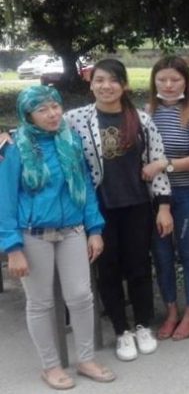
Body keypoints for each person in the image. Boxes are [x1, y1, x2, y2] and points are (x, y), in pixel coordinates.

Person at [0, 86, 116, 389]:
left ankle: (86, 359)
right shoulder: (15, 148)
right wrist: (12, 248)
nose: (52, 114)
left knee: (80, 296)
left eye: (55, 107)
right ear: (28, 115)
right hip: (33, 235)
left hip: (72, 230)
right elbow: (5, 200)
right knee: (40, 303)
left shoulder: (70, 141)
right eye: (42, 110)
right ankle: (50, 366)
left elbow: (85, 187)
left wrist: (95, 229)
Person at [65, 59, 173, 362]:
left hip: (137, 205)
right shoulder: (76, 119)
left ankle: (142, 325)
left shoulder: (141, 120)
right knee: (108, 269)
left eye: (113, 80)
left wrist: (164, 207)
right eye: (99, 80)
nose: (106, 86)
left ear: (124, 85)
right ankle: (121, 330)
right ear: (91, 84)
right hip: (99, 209)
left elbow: (157, 161)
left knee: (139, 266)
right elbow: (42, 126)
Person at [145, 57, 189, 341]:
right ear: (154, 82)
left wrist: (164, 165)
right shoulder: (147, 112)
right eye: (162, 80)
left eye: (175, 79)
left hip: (187, 194)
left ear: (186, 82)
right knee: (161, 255)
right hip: (154, 197)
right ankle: (171, 311)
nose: (169, 85)